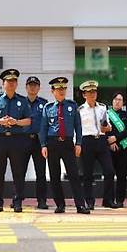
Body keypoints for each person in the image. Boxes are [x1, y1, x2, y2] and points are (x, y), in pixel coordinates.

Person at [0, 69, 32, 213]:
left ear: (17, 84)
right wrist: (0, 121)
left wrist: (15, 121)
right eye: (8, 82)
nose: (11, 84)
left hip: (17, 139)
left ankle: (17, 202)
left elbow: (28, 121)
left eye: (14, 81)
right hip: (0, 139)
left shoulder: (22, 101)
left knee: (18, 171)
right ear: (3, 84)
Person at [40, 77, 89, 214]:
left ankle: (80, 205)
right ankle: (60, 204)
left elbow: (78, 126)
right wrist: (43, 145)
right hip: (52, 143)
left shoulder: (72, 105)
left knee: (74, 175)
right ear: (52, 91)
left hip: (68, 144)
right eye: (58, 89)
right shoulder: (48, 107)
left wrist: (78, 143)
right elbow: (43, 128)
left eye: (64, 88)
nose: (62, 91)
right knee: (54, 176)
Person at [78, 80, 118, 210]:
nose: (92, 94)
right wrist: (76, 144)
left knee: (109, 171)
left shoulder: (102, 107)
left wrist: (107, 127)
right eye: (89, 92)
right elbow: (77, 129)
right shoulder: (80, 110)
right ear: (84, 95)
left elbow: (107, 126)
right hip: (87, 141)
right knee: (87, 174)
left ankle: (108, 200)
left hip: (101, 140)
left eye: (94, 91)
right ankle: (89, 201)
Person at [23, 76, 49, 210]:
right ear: (26, 87)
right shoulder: (20, 102)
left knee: (41, 173)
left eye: (35, 85)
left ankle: (42, 201)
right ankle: (18, 200)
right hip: (23, 140)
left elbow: (47, 124)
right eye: (30, 85)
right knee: (19, 172)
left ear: (39, 88)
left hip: (39, 142)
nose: (32, 87)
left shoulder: (44, 103)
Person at [106, 92, 127, 208]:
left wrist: (116, 139)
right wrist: (111, 141)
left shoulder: (126, 115)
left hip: (123, 147)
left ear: (123, 103)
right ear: (112, 101)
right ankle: (109, 199)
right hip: (109, 148)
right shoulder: (107, 114)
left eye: (120, 100)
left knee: (122, 175)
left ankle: (120, 200)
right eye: (116, 99)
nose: (118, 101)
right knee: (109, 174)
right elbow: (104, 129)